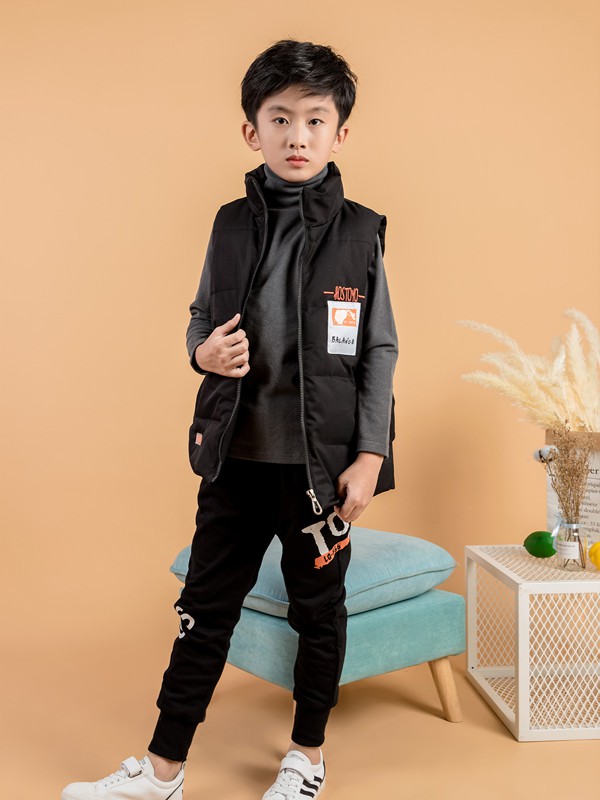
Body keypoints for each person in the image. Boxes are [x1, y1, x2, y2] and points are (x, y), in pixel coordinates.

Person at [61, 38, 398, 800]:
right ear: (252, 131)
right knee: (202, 610)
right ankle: (162, 771)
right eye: (280, 119)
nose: (297, 135)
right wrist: (202, 353)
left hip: (319, 472)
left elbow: (379, 347)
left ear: (340, 132)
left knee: (319, 613)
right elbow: (198, 317)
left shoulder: (362, 232)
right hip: (234, 459)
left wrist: (370, 455)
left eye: (315, 120)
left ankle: (307, 756)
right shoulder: (229, 224)